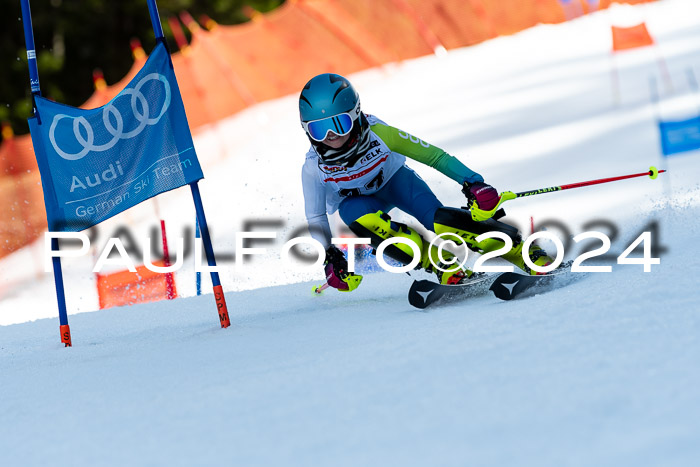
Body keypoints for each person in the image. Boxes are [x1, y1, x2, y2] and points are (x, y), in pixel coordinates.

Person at [299, 73, 552, 292]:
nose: (331, 136)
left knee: (440, 221)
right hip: (360, 201)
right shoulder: (313, 168)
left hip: (396, 183)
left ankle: (523, 253)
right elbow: (316, 217)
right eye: (318, 130)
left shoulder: (381, 134)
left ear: (355, 115)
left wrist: (473, 183)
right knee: (358, 218)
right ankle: (444, 266)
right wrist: (329, 256)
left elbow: (435, 157)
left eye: (339, 124)